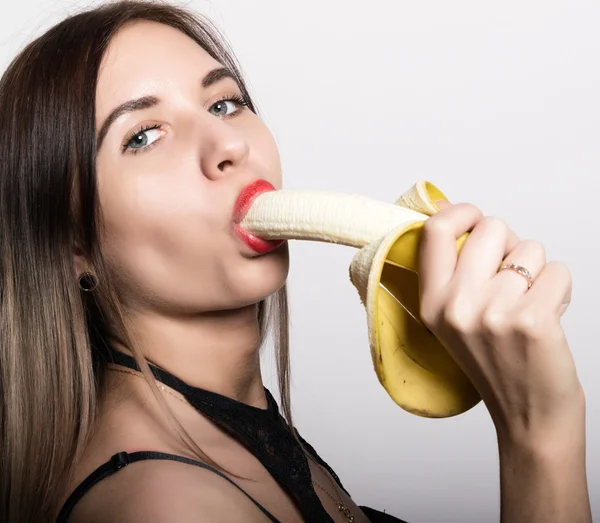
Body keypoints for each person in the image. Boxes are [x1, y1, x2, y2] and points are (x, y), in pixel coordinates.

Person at [0, 1, 591, 522]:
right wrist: (538, 435)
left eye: (225, 103)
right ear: (73, 244)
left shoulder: (235, 423)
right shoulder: (167, 504)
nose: (229, 145)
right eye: (144, 136)